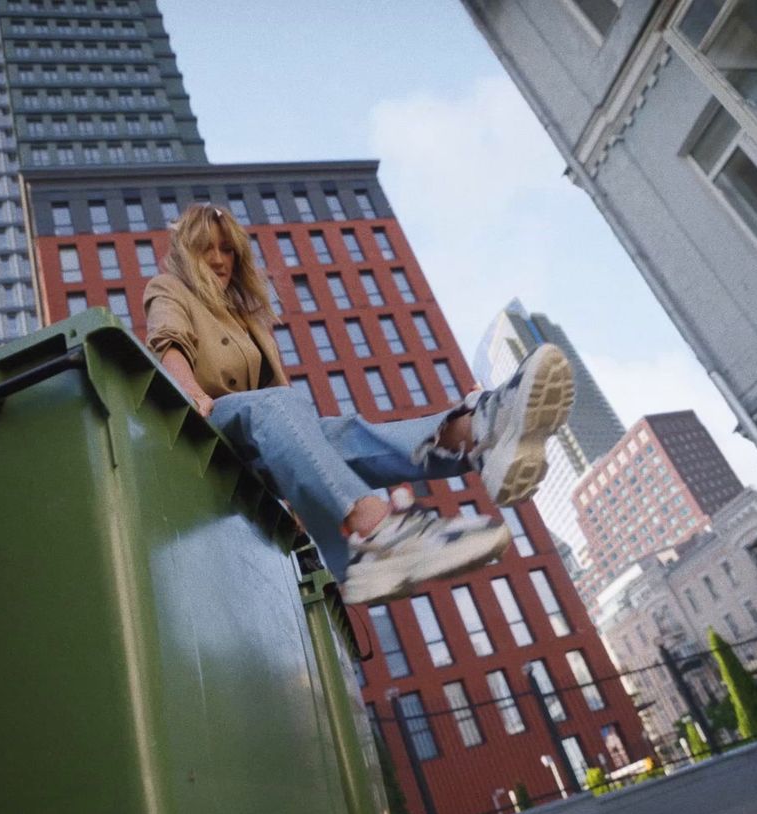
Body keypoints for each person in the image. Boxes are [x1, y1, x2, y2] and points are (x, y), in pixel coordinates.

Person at [143, 203, 573, 605]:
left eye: (227, 251)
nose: (220, 259)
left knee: (339, 435)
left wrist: (299, 484)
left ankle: (478, 434)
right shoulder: (169, 289)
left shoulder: (248, 319)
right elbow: (168, 344)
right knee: (276, 407)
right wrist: (192, 392)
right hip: (206, 423)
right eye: (207, 250)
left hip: (253, 449)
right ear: (187, 255)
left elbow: (292, 426)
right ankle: (377, 534)